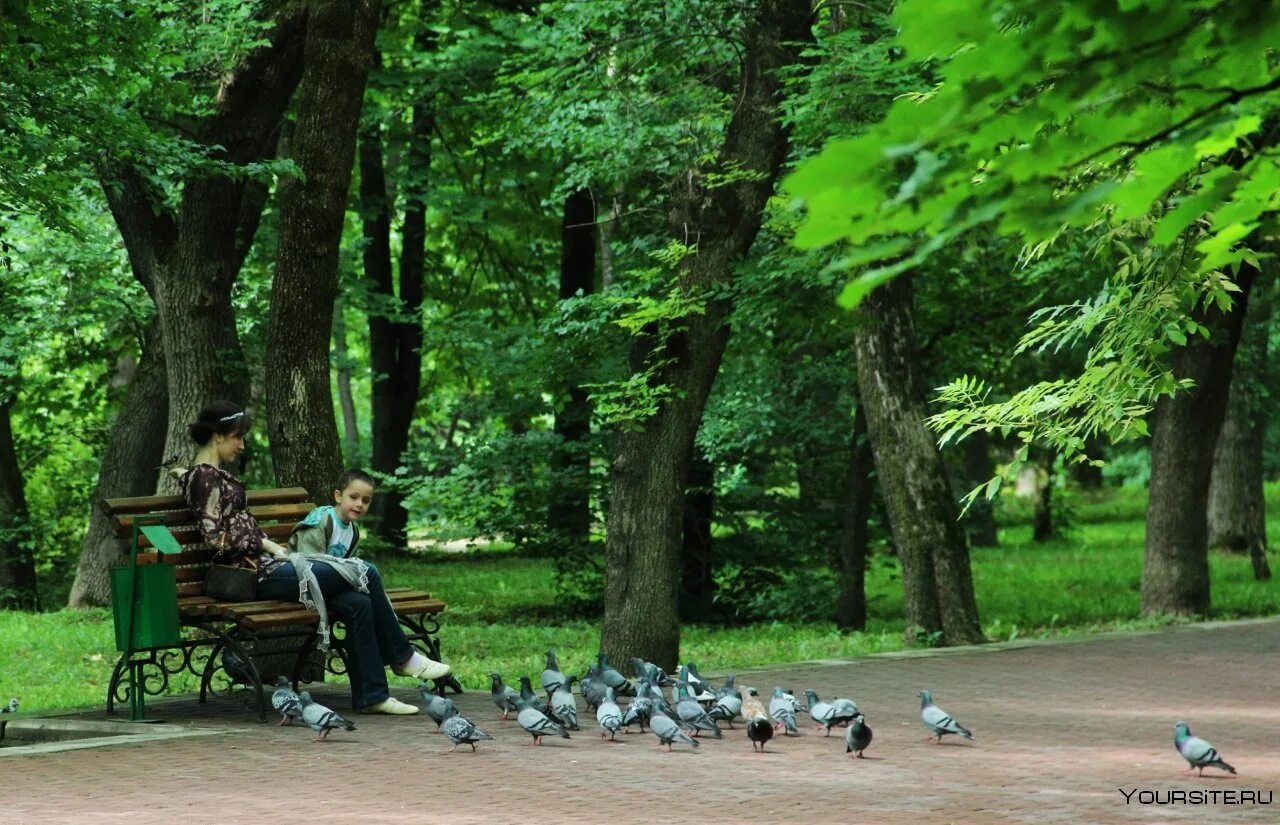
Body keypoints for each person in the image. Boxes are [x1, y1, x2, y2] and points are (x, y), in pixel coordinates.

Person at [180, 401, 449, 715]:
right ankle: (403, 658)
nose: (242, 444)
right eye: (238, 436)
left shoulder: (208, 475)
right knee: (367, 572)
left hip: (266, 568)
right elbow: (215, 540)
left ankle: (372, 696)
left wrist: (270, 547)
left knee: (359, 602)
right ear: (218, 436)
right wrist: (265, 545)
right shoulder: (205, 478)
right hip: (251, 577)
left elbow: (217, 511)